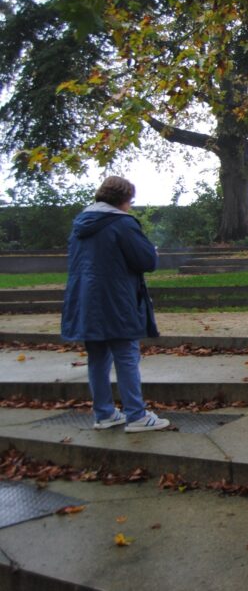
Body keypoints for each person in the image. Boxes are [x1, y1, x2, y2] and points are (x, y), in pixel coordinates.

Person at [60, 176, 170, 433]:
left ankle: (105, 414)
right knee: (126, 355)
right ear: (123, 200)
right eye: (130, 201)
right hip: (115, 299)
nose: (130, 206)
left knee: (97, 357)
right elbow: (145, 261)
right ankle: (136, 416)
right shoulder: (121, 223)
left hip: (84, 300)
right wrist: (152, 251)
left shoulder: (80, 224)